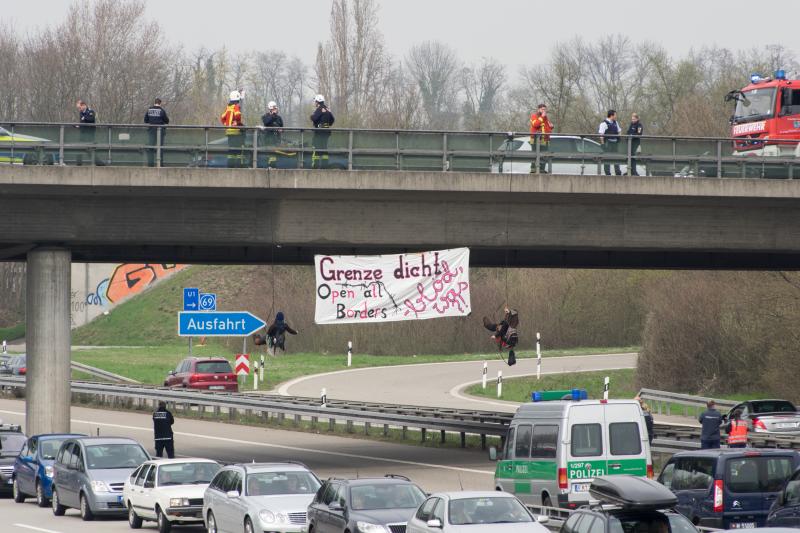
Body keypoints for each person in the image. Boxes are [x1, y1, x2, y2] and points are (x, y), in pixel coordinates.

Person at [221, 90, 244, 167]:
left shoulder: (228, 107)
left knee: (231, 150)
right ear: (237, 99)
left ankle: (230, 165)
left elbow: (222, 118)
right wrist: (238, 123)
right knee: (237, 150)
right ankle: (238, 166)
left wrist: (227, 124)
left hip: (229, 132)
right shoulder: (236, 107)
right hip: (236, 132)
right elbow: (238, 115)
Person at [310, 94, 334, 168]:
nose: (315, 103)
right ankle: (325, 165)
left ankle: (315, 166)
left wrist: (312, 115)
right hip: (326, 132)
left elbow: (314, 118)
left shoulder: (319, 109)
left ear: (317, 102)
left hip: (319, 132)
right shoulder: (327, 109)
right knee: (324, 148)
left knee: (317, 148)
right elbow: (332, 120)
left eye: (315, 101)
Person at [144, 98, 170, 167]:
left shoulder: (149, 110)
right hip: (160, 130)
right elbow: (167, 121)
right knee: (160, 147)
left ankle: (150, 164)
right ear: (160, 103)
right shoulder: (161, 111)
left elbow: (145, 120)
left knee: (151, 147)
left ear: (154, 102)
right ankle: (160, 164)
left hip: (151, 130)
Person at [529, 103, 554, 174]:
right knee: (535, 155)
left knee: (544, 155)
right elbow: (535, 124)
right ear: (538, 109)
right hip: (536, 139)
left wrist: (551, 126)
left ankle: (542, 170)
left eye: (545, 109)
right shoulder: (534, 116)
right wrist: (542, 117)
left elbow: (547, 127)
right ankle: (533, 170)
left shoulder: (545, 118)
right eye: (542, 109)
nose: (544, 111)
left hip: (545, 139)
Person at [599, 109, 622, 175]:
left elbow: (619, 130)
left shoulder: (615, 122)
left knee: (616, 158)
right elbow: (601, 135)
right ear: (611, 115)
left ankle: (618, 172)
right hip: (607, 143)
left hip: (615, 143)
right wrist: (603, 144)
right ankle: (607, 173)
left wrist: (619, 137)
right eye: (615, 115)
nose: (616, 116)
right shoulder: (604, 123)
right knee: (607, 158)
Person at [76, 100, 97, 166]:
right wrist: (78, 126)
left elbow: (91, 119)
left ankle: (99, 163)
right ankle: (79, 164)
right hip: (83, 134)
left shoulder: (90, 111)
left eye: (80, 107)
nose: (79, 109)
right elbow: (82, 122)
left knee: (90, 151)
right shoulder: (81, 113)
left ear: (84, 105)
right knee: (79, 149)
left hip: (89, 135)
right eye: (78, 108)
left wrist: (84, 117)